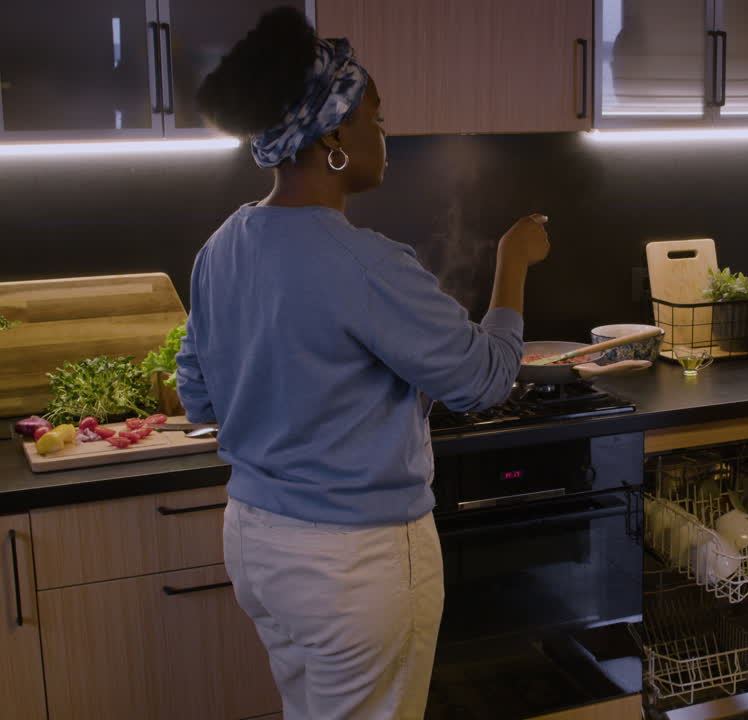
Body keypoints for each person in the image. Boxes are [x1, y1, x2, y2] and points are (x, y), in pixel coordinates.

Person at [175, 7, 550, 718]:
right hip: (353, 562)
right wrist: (512, 264)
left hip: (257, 543)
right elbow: (486, 379)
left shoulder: (222, 246)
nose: (386, 136)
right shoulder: (363, 262)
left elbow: (199, 396)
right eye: (376, 118)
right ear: (335, 137)